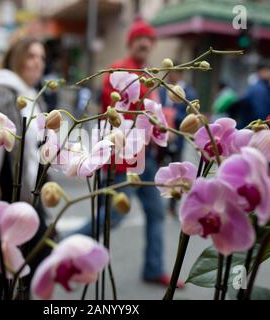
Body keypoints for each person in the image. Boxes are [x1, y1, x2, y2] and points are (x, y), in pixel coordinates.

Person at [71, 18, 182, 287]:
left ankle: (154, 269)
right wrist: (158, 111)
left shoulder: (150, 75)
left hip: (145, 157)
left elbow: (152, 115)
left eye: (149, 39)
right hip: (120, 157)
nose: (144, 43)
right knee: (113, 216)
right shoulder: (117, 70)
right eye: (139, 38)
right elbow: (125, 104)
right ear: (130, 42)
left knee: (155, 212)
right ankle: (63, 251)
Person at [0, 38, 51, 299]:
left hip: (28, 190)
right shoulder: (4, 94)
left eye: (42, 57)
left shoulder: (32, 96)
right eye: (31, 55)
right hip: (6, 189)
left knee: (22, 256)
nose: (37, 62)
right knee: (10, 258)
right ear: (17, 58)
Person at [158, 68, 197, 216]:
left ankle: (172, 205)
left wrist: (173, 118)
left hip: (178, 138)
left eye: (172, 72)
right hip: (161, 137)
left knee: (177, 170)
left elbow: (192, 116)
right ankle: (161, 198)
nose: (170, 75)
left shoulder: (189, 93)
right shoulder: (162, 90)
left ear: (179, 74)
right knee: (160, 168)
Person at [232, 60, 270, 128]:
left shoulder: (261, 87)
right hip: (253, 128)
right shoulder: (260, 89)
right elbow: (261, 113)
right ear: (262, 72)